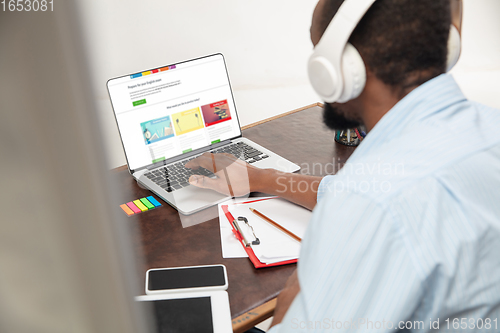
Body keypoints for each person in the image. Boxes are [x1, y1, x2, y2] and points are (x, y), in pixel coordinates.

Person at [186, 0, 500, 331]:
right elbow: (361, 192)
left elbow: (374, 201)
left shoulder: (371, 203)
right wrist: (259, 177)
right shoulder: (488, 128)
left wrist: (293, 299)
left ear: (341, 69)